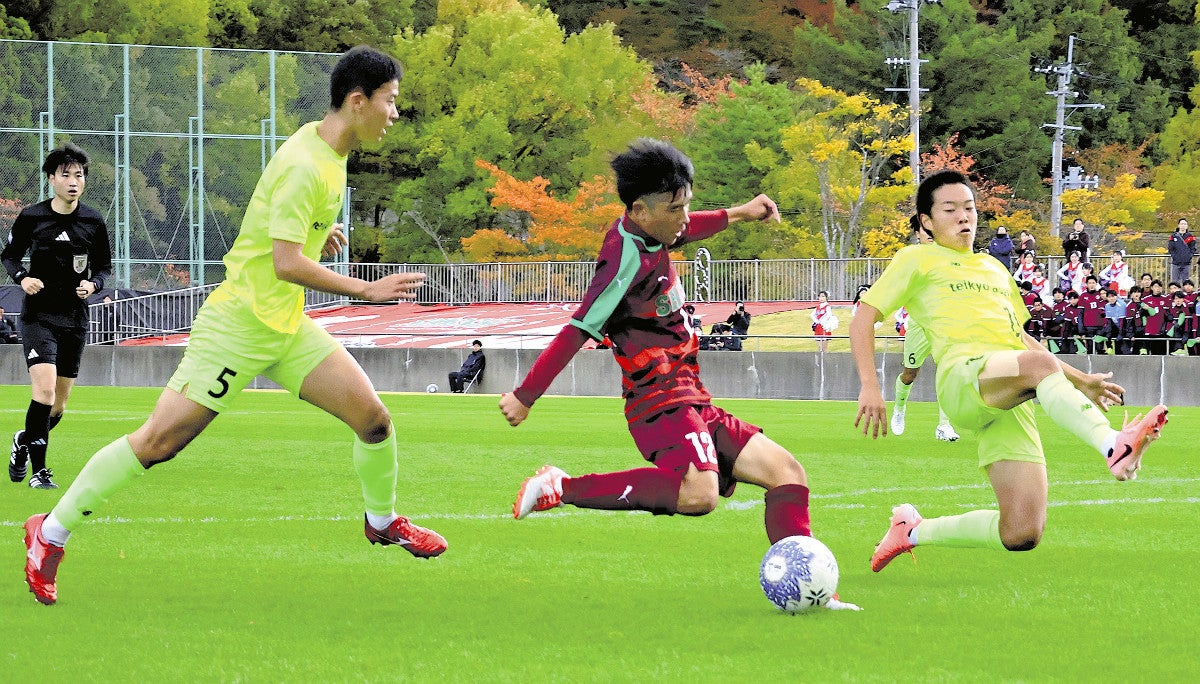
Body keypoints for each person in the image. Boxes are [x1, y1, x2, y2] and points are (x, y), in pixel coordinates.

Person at [22, 46, 447, 607]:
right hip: (239, 324)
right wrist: (366, 290)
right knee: (158, 443)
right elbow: (285, 262)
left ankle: (382, 521)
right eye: (391, 102)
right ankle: (48, 534)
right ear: (357, 100)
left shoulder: (326, 147)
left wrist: (322, 232)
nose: (396, 112)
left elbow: (288, 232)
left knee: (373, 420)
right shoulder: (307, 164)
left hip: (284, 325)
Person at [498, 139, 858, 610]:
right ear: (641, 210)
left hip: (691, 396)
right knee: (699, 494)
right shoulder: (623, 260)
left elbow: (696, 226)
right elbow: (578, 328)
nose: (686, 218)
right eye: (677, 209)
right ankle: (560, 488)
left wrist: (744, 212)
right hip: (657, 402)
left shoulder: (657, 230)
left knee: (787, 474)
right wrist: (526, 395)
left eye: (687, 205)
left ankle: (809, 590)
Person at [850, 169, 1168, 575]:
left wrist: (1082, 380)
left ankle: (912, 531)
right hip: (963, 377)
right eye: (950, 209)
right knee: (1037, 367)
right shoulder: (916, 258)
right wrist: (870, 386)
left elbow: (1020, 338)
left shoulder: (994, 269)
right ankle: (1113, 446)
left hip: (1009, 385)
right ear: (926, 221)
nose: (964, 216)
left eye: (969, 208)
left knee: (1021, 532)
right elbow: (863, 319)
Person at [3, 144, 112, 491]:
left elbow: (105, 268)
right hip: (38, 318)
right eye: (65, 175)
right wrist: (23, 278)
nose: (73, 181)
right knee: (45, 391)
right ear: (51, 179)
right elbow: (9, 257)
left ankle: (24, 440)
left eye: (78, 175)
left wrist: (93, 284)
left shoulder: (94, 221)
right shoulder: (32, 217)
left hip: (75, 320)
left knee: (59, 405)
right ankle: (40, 471)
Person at [889, 220, 959, 442]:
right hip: (918, 323)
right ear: (917, 234)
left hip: (943, 324)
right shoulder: (909, 259)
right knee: (910, 374)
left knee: (947, 372)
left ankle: (944, 425)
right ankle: (899, 409)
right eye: (925, 231)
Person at [1167, 218, 1196, 285]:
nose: (1183, 225)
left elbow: (1193, 248)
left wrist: (1189, 256)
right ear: (1178, 225)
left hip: (1186, 263)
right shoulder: (1173, 236)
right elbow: (1171, 248)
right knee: (1174, 282)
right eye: (1181, 224)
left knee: (1185, 282)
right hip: (1176, 263)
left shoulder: (1190, 237)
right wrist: (1174, 256)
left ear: (1187, 226)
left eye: (1185, 224)